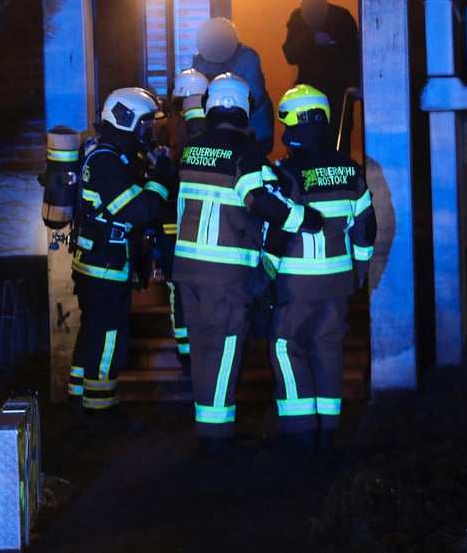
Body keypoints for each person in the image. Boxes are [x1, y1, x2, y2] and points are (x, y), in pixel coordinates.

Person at [172, 73, 323, 455]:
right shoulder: (245, 155)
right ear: (244, 108)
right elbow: (264, 203)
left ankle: (209, 430)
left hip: (187, 272)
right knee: (223, 354)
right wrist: (305, 220)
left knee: (205, 352)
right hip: (225, 275)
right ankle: (216, 439)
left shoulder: (192, 149)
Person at [263, 84, 376, 457]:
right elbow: (366, 222)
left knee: (286, 345)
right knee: (328, 349)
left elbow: (279, 229)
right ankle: (328, 428)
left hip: (298, 282)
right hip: (340, 280)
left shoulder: (288, 173)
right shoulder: (349, 169)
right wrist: (359, 268)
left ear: (296, 121)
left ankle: (300, 430)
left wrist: (266, 271)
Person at [68, 87, 174, 429]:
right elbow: (139, 209)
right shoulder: (105, 162)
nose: (149, 133)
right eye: (145, 125)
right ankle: (102, 412)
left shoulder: (111, 155)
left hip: (102, 264)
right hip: (105, 268)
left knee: (93, 333)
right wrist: (161, 177)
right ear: (125, 120)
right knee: (110, 336)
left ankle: (79, 402)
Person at [154, 68, 209, 375]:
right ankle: (193, 350)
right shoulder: (214, 127)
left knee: (181, 287)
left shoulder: (171, 128)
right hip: (194, 219)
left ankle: (188, 352)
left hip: (178, 220)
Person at [282, 0, 360, 151]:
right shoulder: (298, 19)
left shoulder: (342, 19)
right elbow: (290, 54)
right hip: (310, 95)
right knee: (308, 140)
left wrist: (353, 88)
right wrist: (311, 40)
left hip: (336, 95)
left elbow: (354, 54)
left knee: (336, 141)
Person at [192, 17, 274, 154]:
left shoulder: (248, 57)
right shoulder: (200, 60)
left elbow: (256, 93)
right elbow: (196, 93)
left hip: (255, 127)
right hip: (218, 130)